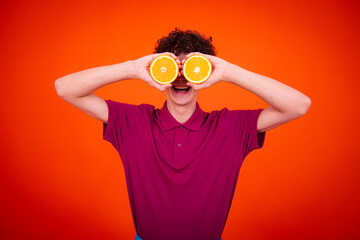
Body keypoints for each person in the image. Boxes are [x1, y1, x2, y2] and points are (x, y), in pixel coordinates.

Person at [55, 28, 311, 240]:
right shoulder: (133, 121)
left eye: (190, 68)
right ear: (160, 72)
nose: (180, 78)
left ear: (205, 75)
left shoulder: (230, 127)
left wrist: (228, 71)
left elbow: (299, 105)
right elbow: (64, 88)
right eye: (172, 68)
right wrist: (133, 68)